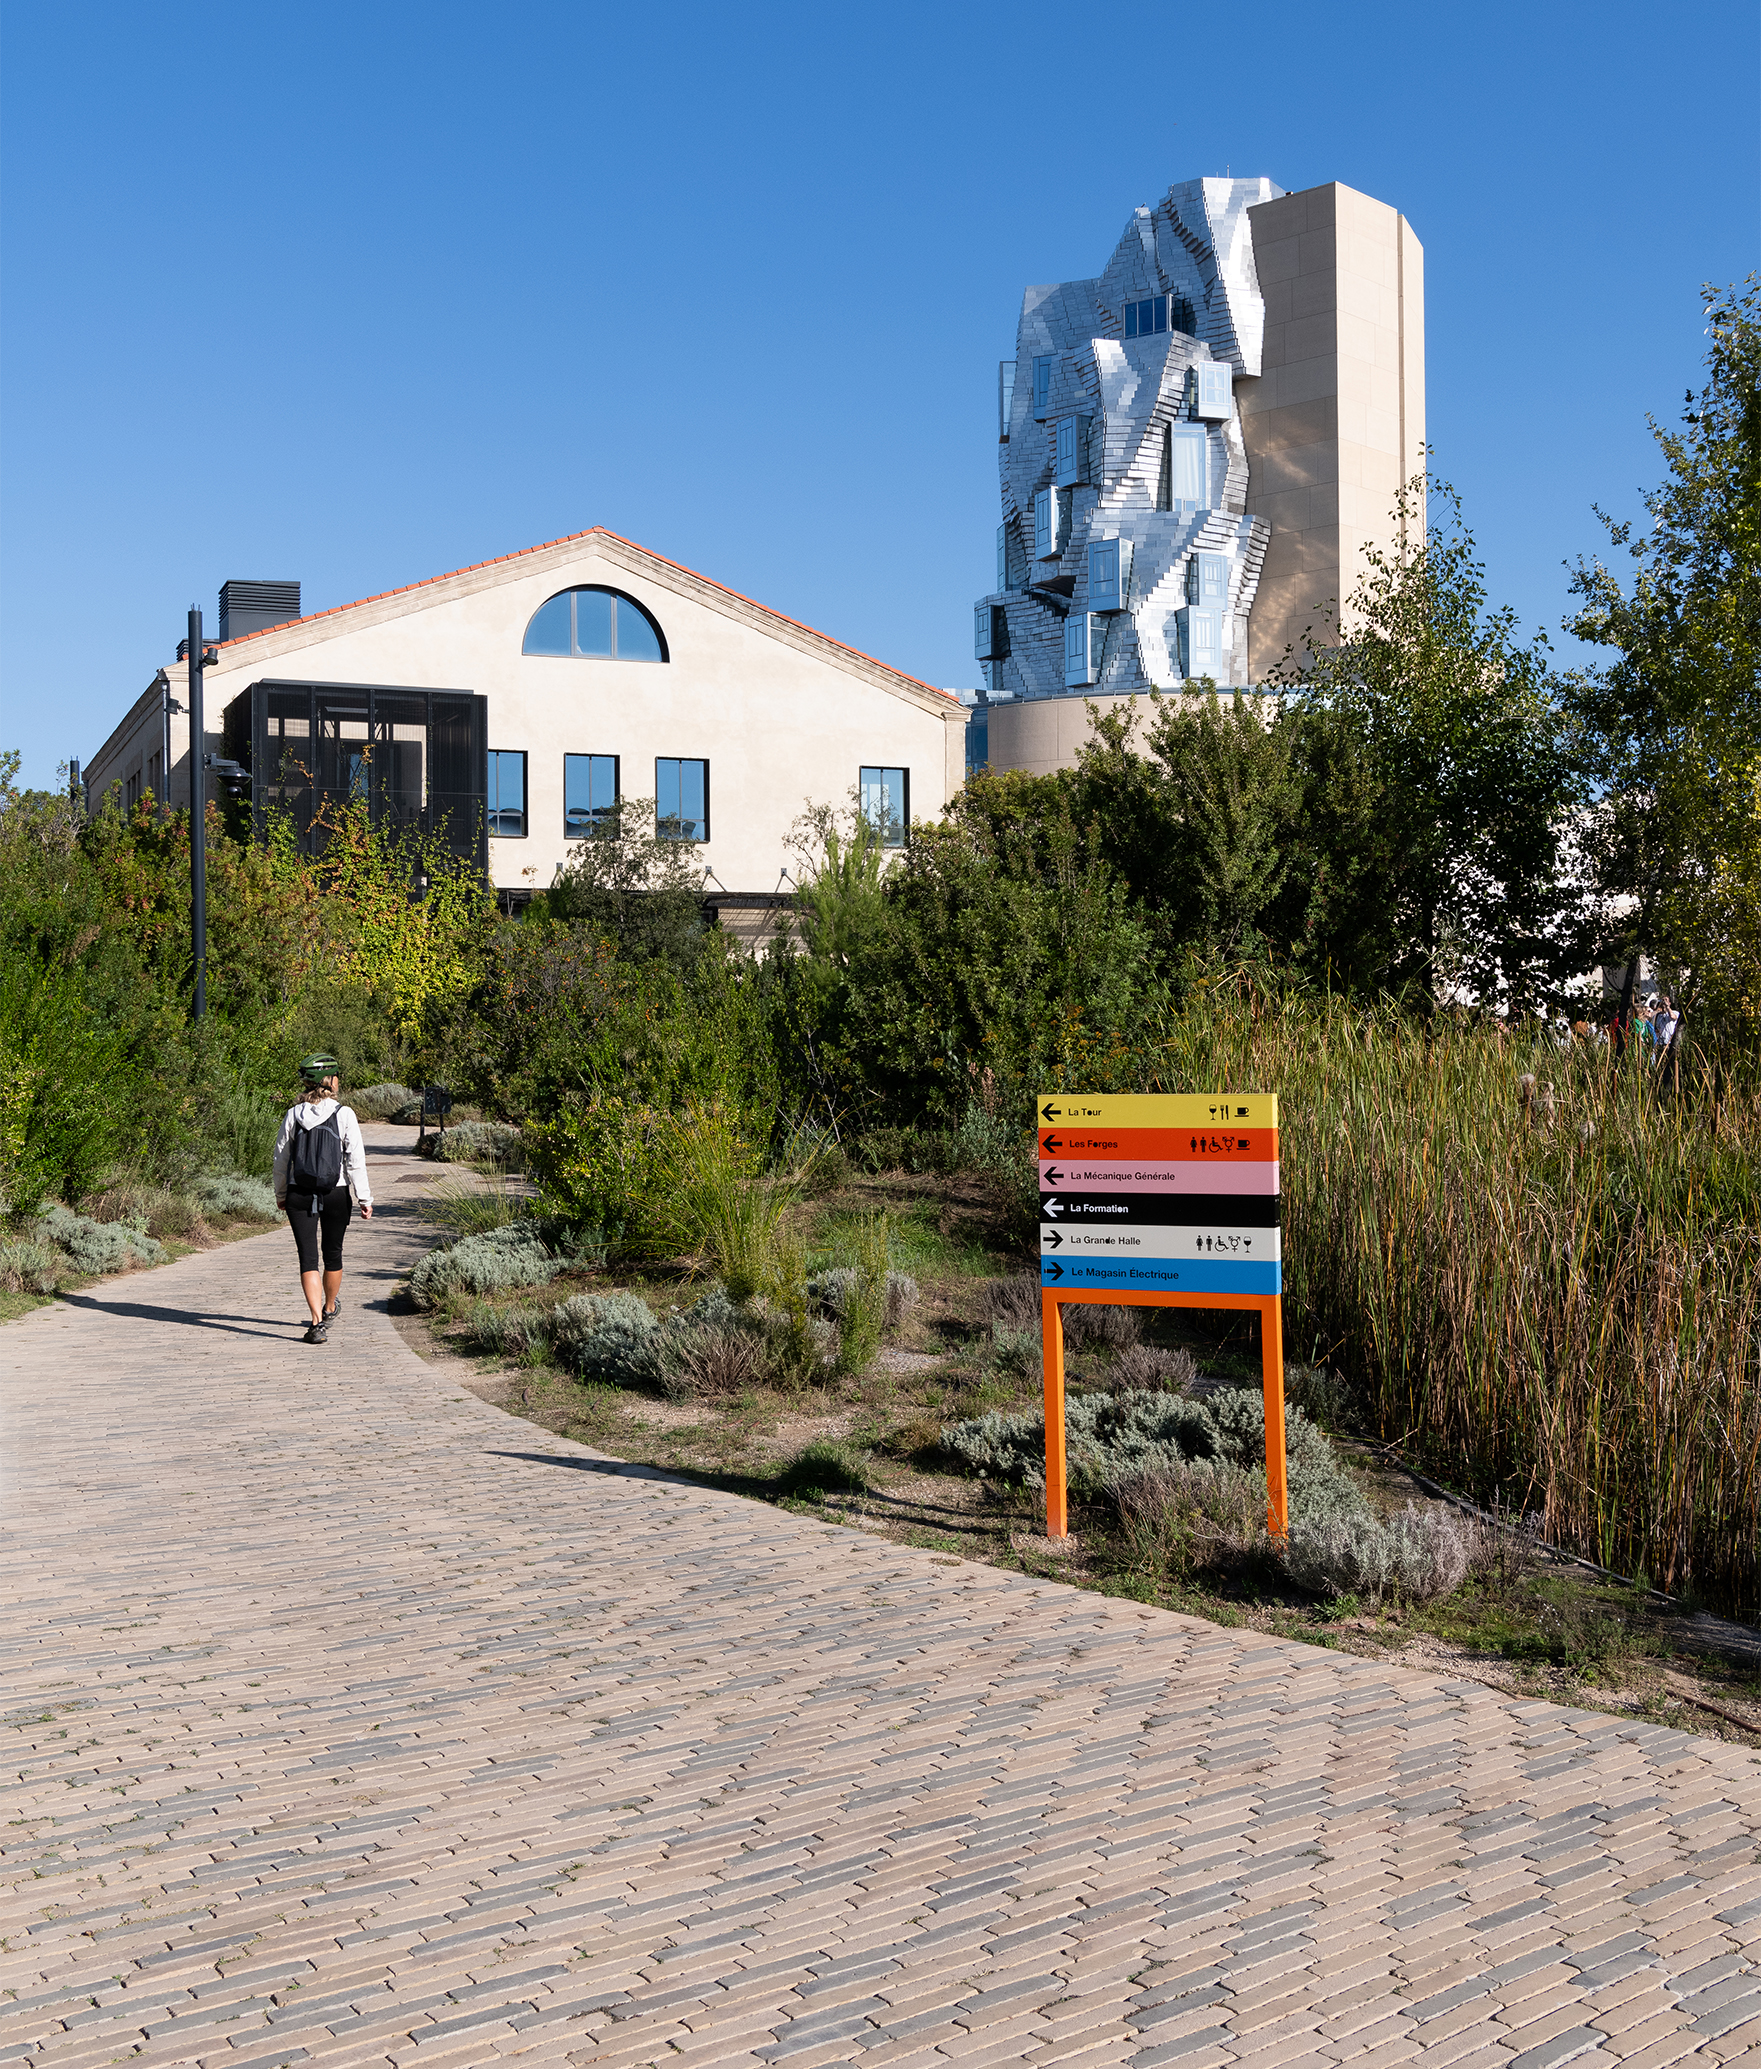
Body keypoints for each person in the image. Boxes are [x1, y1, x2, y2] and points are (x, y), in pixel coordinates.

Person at [272, 1053, 374, 1344]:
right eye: (337, 1075)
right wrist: (364, 1198)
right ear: (328, 1080)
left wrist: (281, 1193)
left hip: (299, 1193)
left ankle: (316, 1323)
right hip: (336, 1192)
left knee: (308, 1258)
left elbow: (280, 1159)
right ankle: (330, 1307)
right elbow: (355, 1160)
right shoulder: (344, 1114)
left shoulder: (293, 1114)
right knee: (333, 1254)